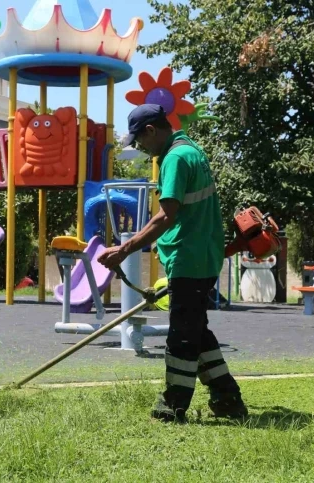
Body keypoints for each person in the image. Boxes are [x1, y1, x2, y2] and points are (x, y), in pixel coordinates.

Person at [97, 104, 248, 423]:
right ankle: (227, 397)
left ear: (151, 130)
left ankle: (172, 405)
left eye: (140, 141)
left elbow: (166, 216)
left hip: (188, 259)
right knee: (196, 330)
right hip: (202, 256)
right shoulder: (192, 150)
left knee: (182, 336)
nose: (141, 148)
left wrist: (124, 250)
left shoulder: (175, 159)